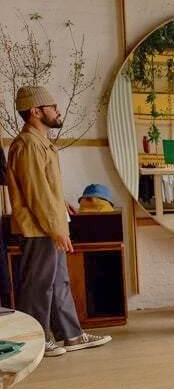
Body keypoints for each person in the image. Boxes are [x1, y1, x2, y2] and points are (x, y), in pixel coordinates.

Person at [7, 86, 112, 357]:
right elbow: (36, 194)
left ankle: (71, 335)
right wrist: (56, 229)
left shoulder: (40, 143)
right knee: (38, 285)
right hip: (38, 228)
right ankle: (37, 341)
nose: (58, 110)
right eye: (52, 106)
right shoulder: (29, 144)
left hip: (49, 224)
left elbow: (44, 187)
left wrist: (61, 203)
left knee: (58, 282)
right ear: (35, 112)